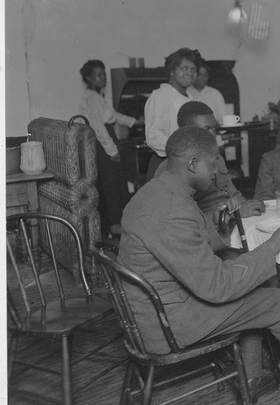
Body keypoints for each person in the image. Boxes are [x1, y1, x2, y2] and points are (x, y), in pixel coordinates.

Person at [119, 126, 280, 405]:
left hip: (146, 311)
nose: (217, 173)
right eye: (212, 164)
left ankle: (253, 376)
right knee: (276, 301)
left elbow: (190, 249)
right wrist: (275, 244)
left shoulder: (152, 193)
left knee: (252, 279)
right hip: (166, 325)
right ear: (192, 163)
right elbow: (217, 287)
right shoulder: (174, 211)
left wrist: (226, 228)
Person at [154, 101, 265, 252]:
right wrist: (234, 215)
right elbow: (184, 226)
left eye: (214, 128)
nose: (213, 135)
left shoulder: (215, 157)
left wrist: (250, 206)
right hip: (212, 236)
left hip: (233, 222)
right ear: (187, 132)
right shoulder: (173, 169)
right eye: (207, 129)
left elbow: (232, 194)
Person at [78, 59, 142, 237]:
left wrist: (134, 121)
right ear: (89, 78)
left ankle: (116, 224)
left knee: (117, 184)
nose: (103, 78)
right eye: (99, 75)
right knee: (111, 186)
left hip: (107, 141)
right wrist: (112, 150)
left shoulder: (98, 96)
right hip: (103, 144)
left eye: (104, 74)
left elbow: (113, 116)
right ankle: (115, 227)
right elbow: (98, 127)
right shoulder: (91, 98)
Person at [144, 47, 198, 177]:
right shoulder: (160, 96)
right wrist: (183, 148)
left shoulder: (191, 98)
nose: (190, 73)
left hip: (187, 164)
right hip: (165, 165)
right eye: (184, 68)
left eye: (193, 70)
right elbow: (154, 136)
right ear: (172, 71)